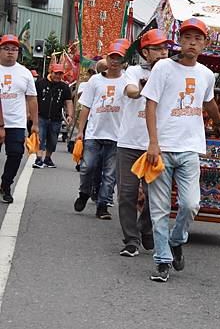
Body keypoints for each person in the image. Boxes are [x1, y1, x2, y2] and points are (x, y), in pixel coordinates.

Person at [141, 18, 220, 282]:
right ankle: (162, 261)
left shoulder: (206, 74)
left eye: (197, 39)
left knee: (190, 204)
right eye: (187, 37)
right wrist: (153, 142)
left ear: (204, 44)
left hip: (190, 149)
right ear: (180, 40)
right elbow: (150, 105)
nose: (192, 42)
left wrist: (219, 123)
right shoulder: (164, 67)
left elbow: (208, 102)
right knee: (159, 209)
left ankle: (177, 240)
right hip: (162, 149)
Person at [116, 29, 173, 257]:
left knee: (156, 195)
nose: (162, 52)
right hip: (130, 143)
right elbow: (130, 91)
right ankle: (131, 240)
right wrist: (140, 89)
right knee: (127, 194)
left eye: (165, 48)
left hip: (158, 144)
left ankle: (146, 229)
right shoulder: (132, 71)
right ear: (145, 52)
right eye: (157, 48)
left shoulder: (172, 73)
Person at [73, 39, 129, 219]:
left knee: (110, 174)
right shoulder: (95, 81)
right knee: (88, 167)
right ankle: (84, 193)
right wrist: (80, 131)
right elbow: (86, 106)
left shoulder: (129, 81)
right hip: (94, 133)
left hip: (116, 135)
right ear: (106, 59)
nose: (114, 61)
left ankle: (103, 205)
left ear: (124, 61)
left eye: (118, 58)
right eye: (112, 57)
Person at [0, 34, 38, 203]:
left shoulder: (25, 73)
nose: (10, 52)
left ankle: (6, 184)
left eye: (14, 49)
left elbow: (32, 98)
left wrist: (35, 123)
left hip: (16, 122)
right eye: (6, 48)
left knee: (16, 154)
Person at [33, 63, 74, 168]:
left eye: (60, 74)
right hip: (41, 116)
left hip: (56, 118)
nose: (58, 76)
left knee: (53, 140)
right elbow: (33, 99)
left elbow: (68, 102)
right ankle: (38, 159)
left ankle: (47, 158)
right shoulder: (40, 83)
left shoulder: (64, 86)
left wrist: (70, 115)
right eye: (56, 73)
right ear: (51, 72)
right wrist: (30, 113)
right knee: (40, 137)